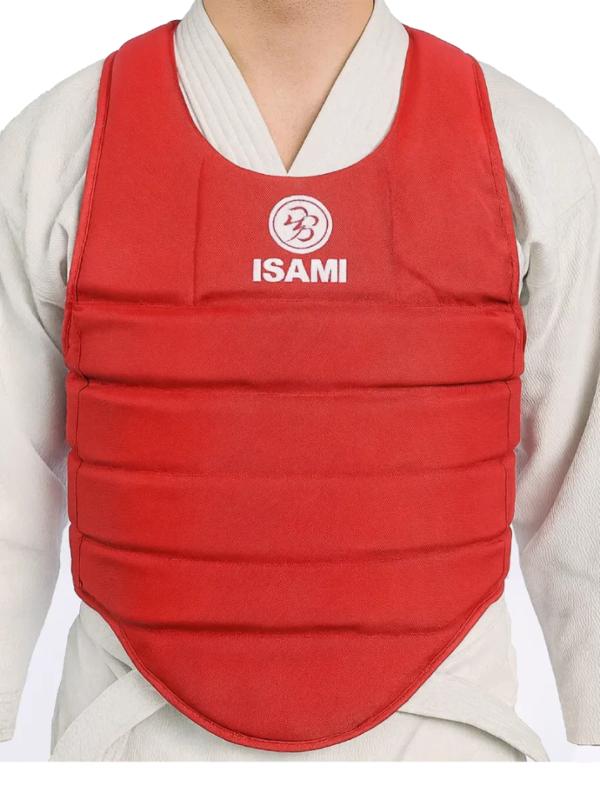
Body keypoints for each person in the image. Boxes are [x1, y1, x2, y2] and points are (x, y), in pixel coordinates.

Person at [0, 0, 598, 762]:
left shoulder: (529, 150)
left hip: (450, 743)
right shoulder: (56, 145)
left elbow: (583, 481)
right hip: (131, 743)